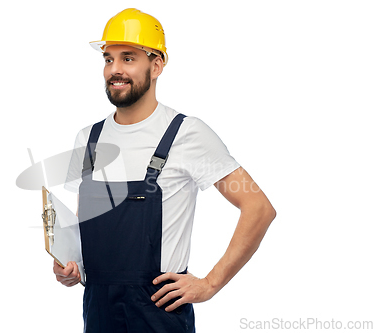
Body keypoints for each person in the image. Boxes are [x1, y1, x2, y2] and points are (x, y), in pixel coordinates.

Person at [53, 8, 276, 333]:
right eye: (108, 59)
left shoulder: (186, 134)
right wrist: (71, 266)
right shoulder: (88, 139)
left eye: (128, 58)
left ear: (156, 65)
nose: (114, 70)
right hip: (98, 311)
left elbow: (259, 208)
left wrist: (211, 283)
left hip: (158, 313)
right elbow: (85, 218)